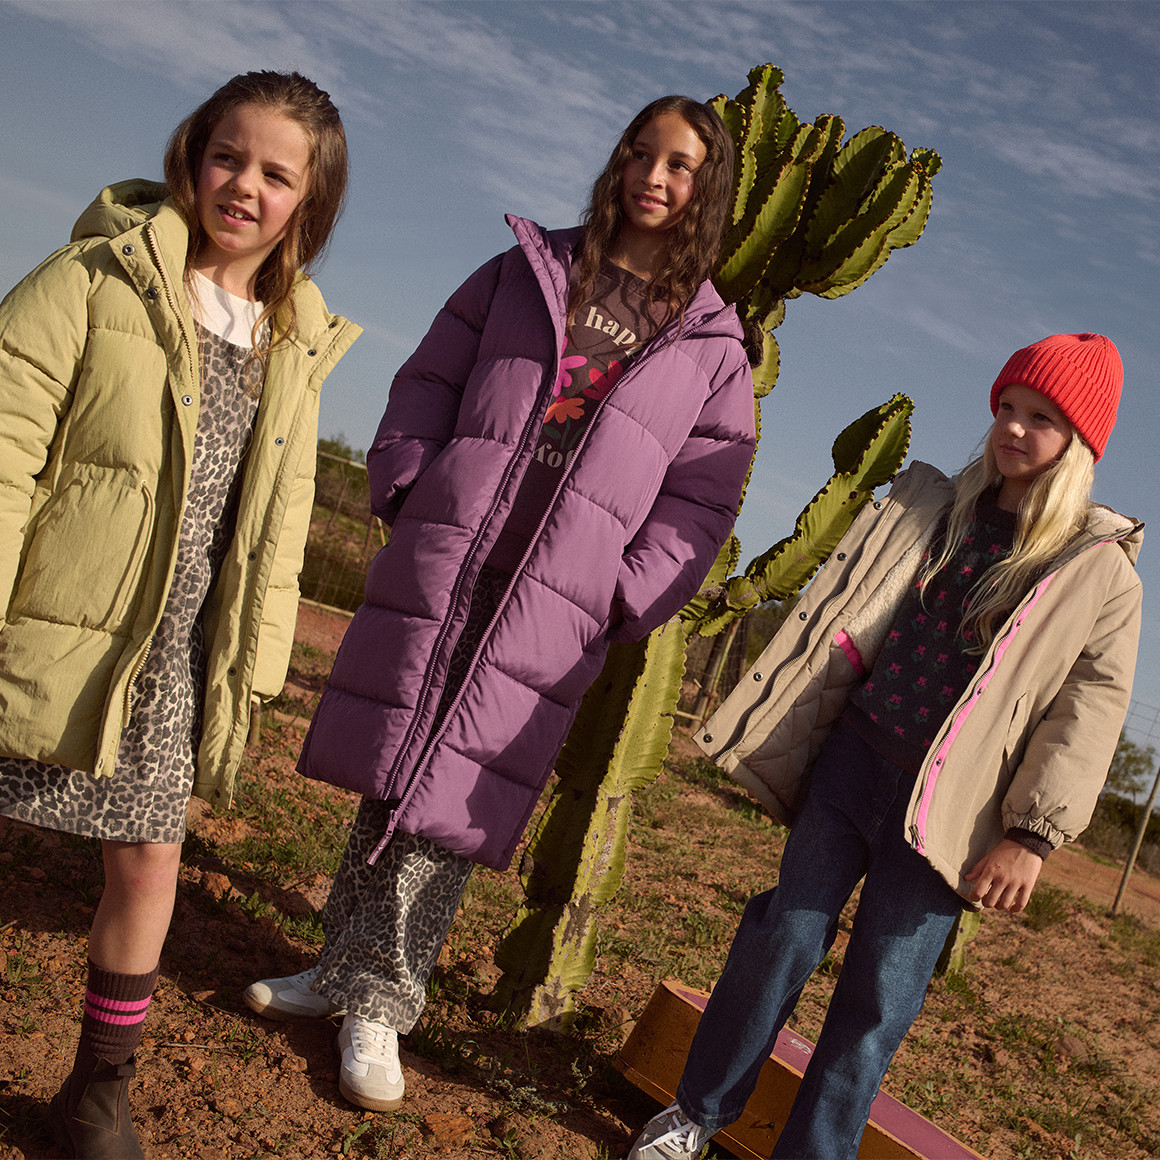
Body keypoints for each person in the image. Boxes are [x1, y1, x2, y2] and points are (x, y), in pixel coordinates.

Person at [243, 95, 756, 1112]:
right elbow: (430, 377)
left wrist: (620, 592)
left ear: (709, 191)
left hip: (554, 594)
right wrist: (407, 482)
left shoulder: (712, 348)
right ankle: (341, 969)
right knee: (397, 759)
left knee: (454, 787)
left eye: (680, 166)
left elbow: (700, 504)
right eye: (640, 154)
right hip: (455, 548)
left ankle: (385, 1001)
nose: (653, 177)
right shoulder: (527, 270)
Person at [628, 332, 1142, 1160]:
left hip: (951, 820)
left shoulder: (1100, 573)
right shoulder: (936, 506)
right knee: (781, 940)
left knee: (876, 1003)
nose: (1013, 428)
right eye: (1007, 407)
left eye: (1041, 418)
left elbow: (1089, 712)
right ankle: (694, 1116)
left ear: (1080, 441)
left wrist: (1033, 835)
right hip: (852, 765)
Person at [0, 71, 359, 1158]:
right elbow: (6, 446)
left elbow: (280, 517)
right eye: (227, 157)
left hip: (175, 646)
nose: (244, 185)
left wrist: (256, 660)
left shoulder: (294, 339)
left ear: (308, 202)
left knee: (150, 858)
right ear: (192, 157)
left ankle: (97, 1091)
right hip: (53, 611)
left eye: (275, 174)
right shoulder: (93, 277)